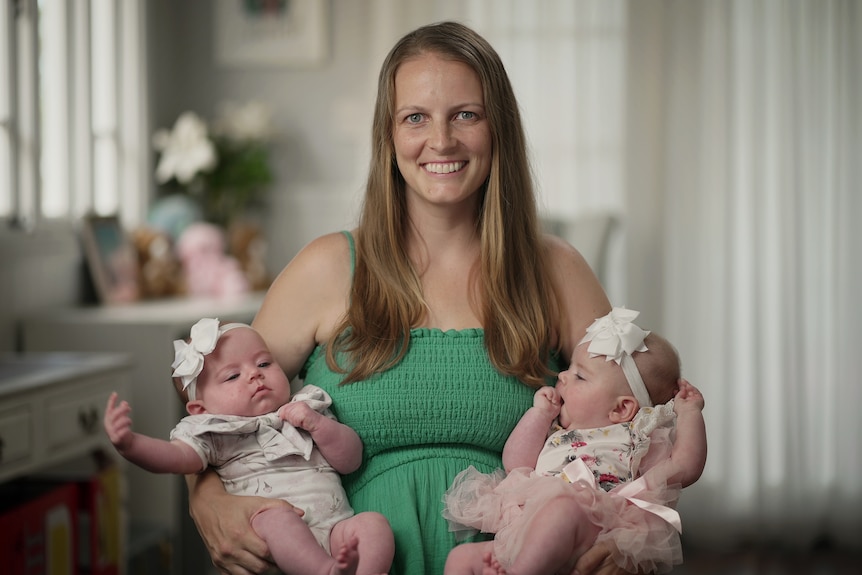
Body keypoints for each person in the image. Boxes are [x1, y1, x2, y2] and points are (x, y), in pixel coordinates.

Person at [187, 20, 649, 575]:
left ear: (497, 127)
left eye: (466, 114)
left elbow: (639, 424)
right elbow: (218, 412)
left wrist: (627, 536)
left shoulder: (556, 269)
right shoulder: (325, 268)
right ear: (389, 136)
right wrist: (206, 502)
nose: (442, 141)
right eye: (415, 118)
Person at [103, 317, 394, 575]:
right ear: (201, 410)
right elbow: (174, 457)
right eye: (232, 376)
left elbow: (351, 459)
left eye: (264, 363)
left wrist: (318, 426)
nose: (254, 374)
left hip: (336, 530)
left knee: (373, 525)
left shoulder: (306, 408)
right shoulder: (217, 433)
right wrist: (130, 444)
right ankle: (324, 570)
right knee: (276, 518)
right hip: (278, 542)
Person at [442, 308, 707, 575]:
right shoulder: (557, 430)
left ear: (621, 409)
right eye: (569, 369)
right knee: (460, 559)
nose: (562, 376)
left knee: (563, 509)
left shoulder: (634, 440)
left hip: (587, 534)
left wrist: (690, 412)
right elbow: (515, 463)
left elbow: (685, 466)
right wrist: (539, 415)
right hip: (524, 534)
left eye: (579, 376)